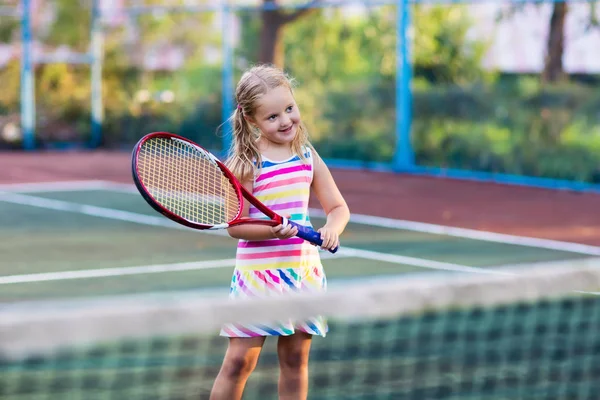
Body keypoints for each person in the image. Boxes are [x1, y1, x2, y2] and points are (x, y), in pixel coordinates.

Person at [209, 64, 350, 400]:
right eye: (272, 116)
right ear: (252, 121)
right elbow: (235, 227)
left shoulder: (306, 156)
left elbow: (338, 208)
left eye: (289, 109)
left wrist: (332, 228)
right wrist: (273, 231)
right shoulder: (246, 164)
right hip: (258, 277)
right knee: (239, 362)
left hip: (303, 273)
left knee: (295, 359)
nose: (285, 120)